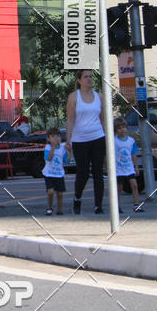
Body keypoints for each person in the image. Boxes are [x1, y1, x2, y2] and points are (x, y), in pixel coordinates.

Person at [65, 70, 106, 214]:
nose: (89, 79)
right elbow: (70, 120)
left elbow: (103, 120)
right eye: (85, 77)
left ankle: (98, 205)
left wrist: (107, 137)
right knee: (83, 172)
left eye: (90, 76)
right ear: (79, 80)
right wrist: (68, 140)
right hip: (80, 139)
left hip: (97, 137)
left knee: (98, 172)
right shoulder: (73, 97)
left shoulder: (99, 97)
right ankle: (77, 198)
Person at [114, 117, 143, 213]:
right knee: (119, 188)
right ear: (115, 130)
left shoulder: (131, 141)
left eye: (123, 127)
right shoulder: (114, 141)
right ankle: (117, 206)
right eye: (119, 128)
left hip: (129, 167)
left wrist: (136, 166)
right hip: (118, 168)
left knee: (134, 185)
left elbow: (133, 154)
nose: (122, 130)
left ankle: (136, 205)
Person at [42, 127, 68, 215]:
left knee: (60, 193)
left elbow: (66, 160)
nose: (56, 138)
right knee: (50, 191)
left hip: (59, 174)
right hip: (49, 174)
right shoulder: (48, 147)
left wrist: (69, 152)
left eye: (58, 136)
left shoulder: (62, 148)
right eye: (53, 136)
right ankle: (50, 207)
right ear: (48, 139)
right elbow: (49, 158)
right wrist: (53, 147)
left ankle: (60, 209)